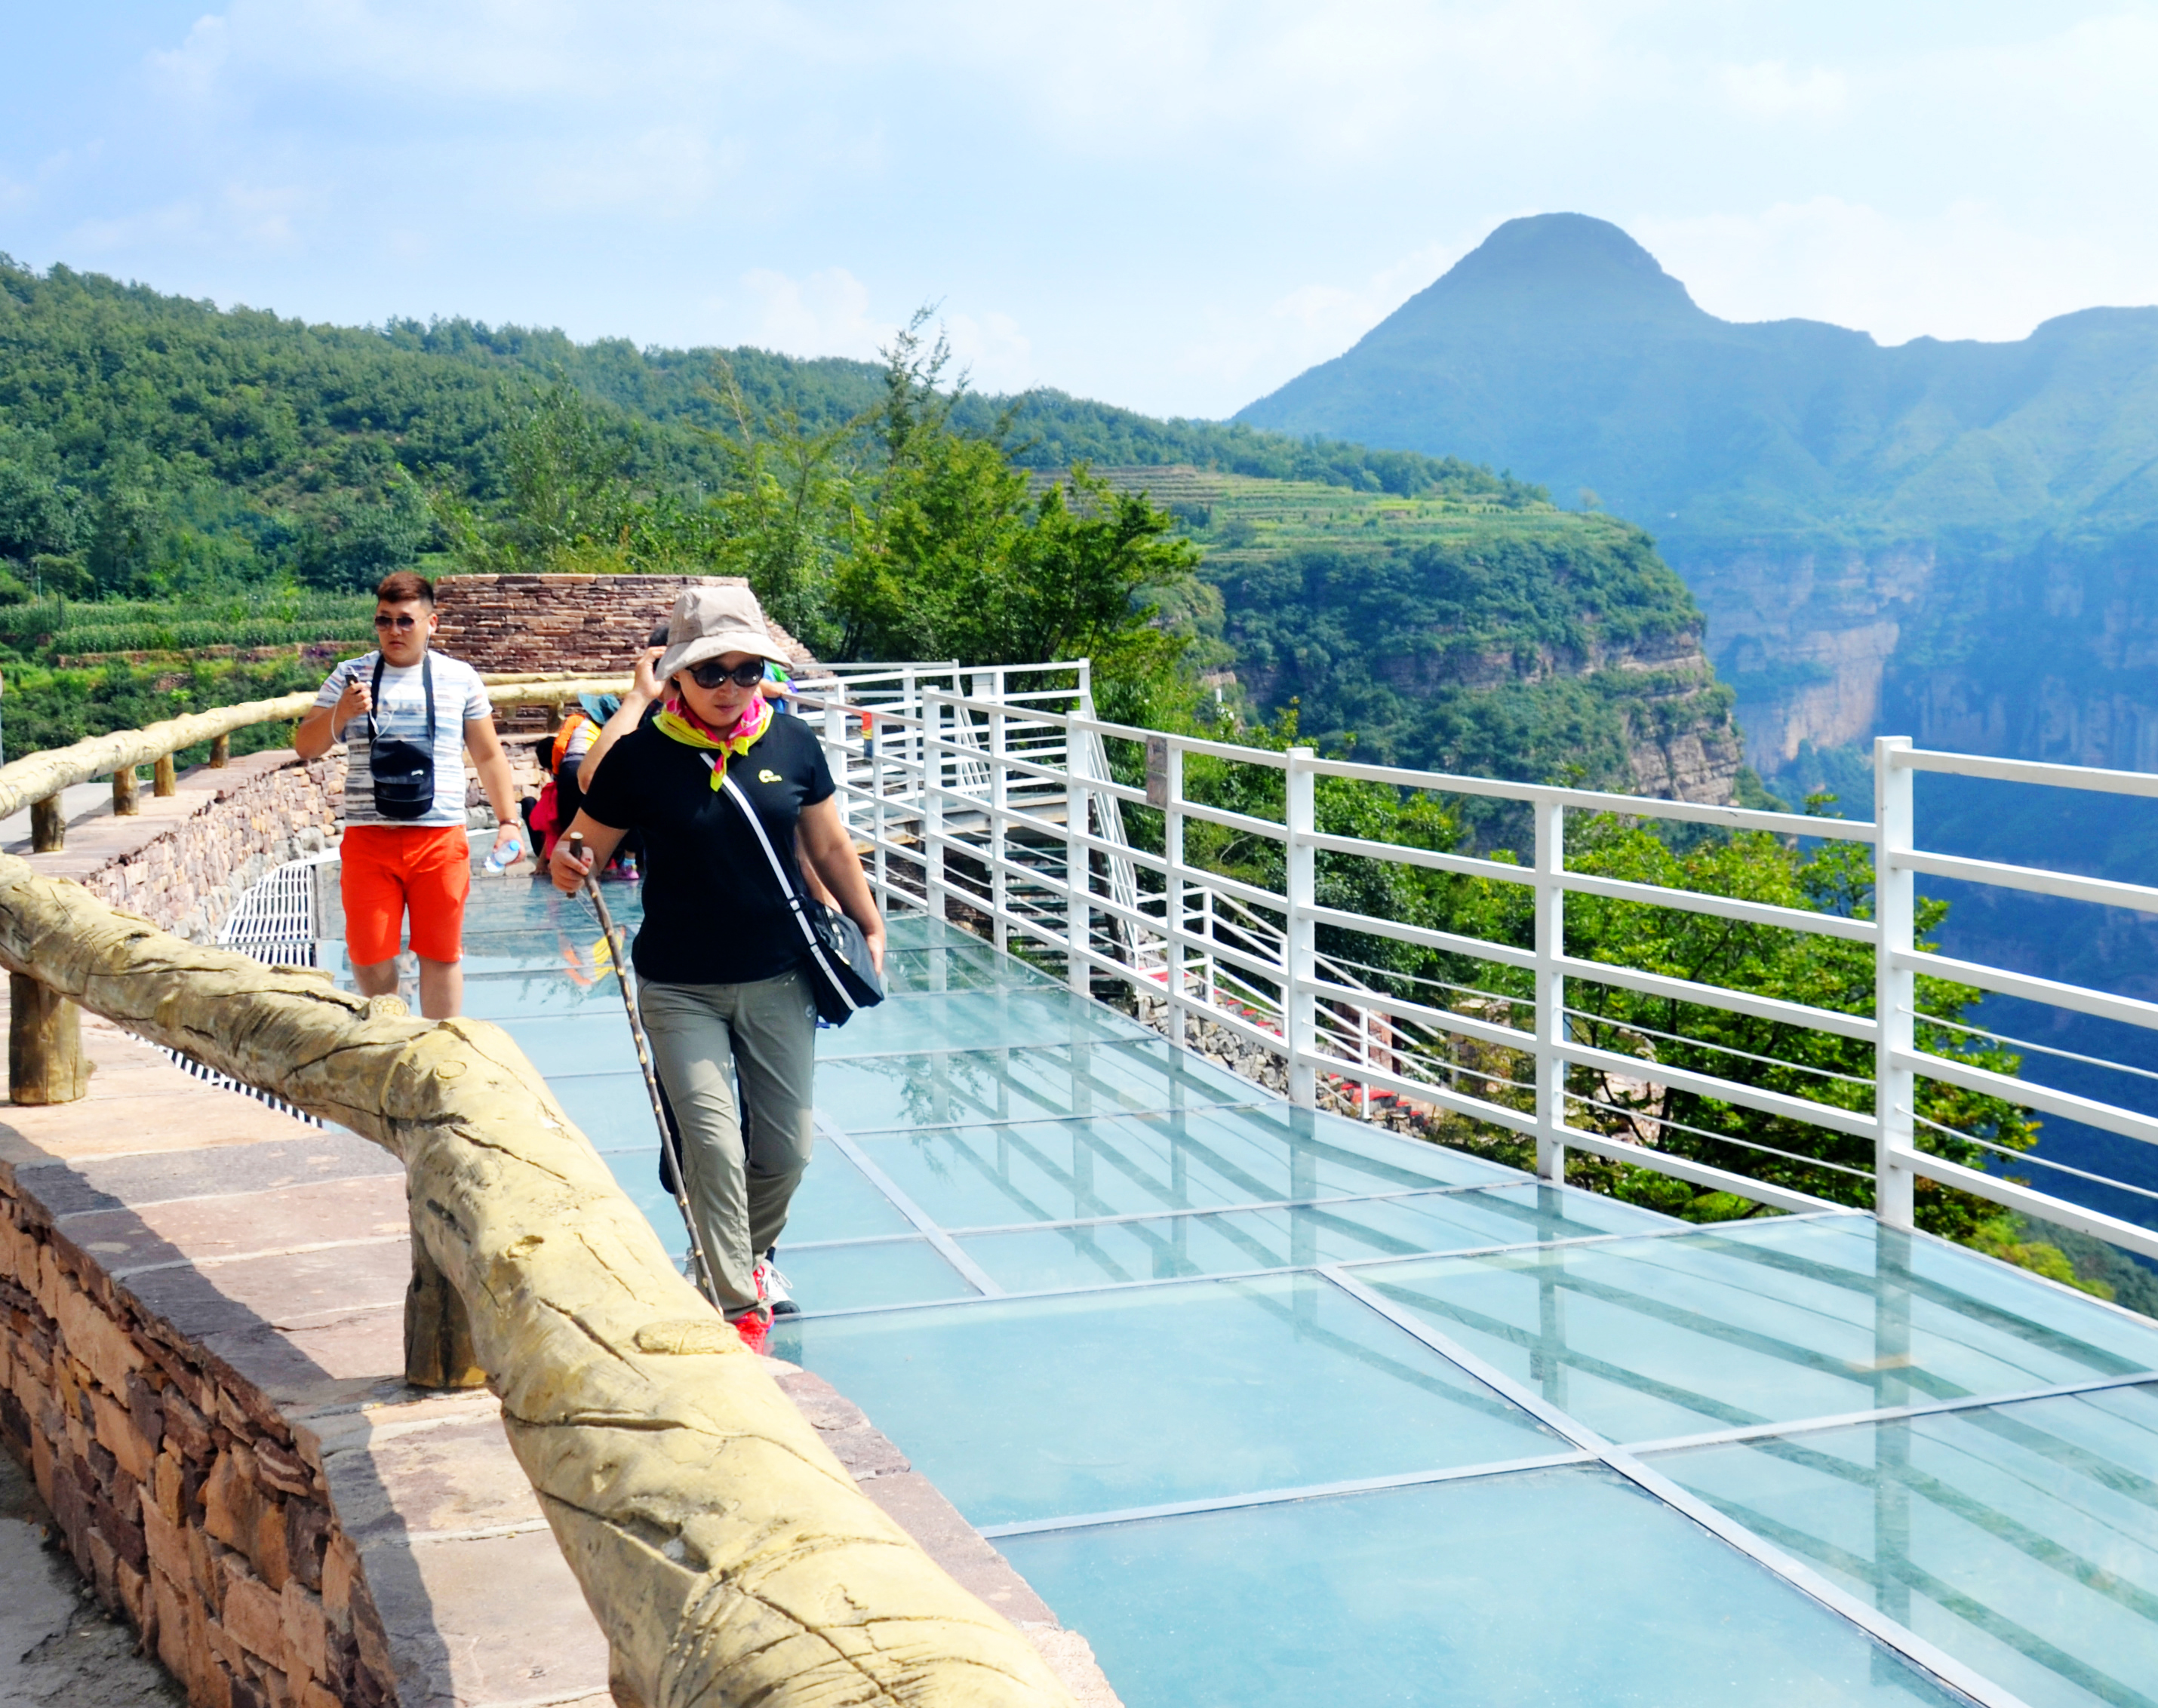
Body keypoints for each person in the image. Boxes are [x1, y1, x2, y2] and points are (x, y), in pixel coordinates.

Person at [551, 585, 884, 1349]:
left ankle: (735, 1256)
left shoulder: (793, 742)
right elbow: (583, 848)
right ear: (677, 677)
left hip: (778, 976)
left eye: (746, 671)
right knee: (709, 1146)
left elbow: (830, 847)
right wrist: (573, 863)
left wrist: (868, 922)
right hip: (679, 986)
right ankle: (737, 1307)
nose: (731, 688)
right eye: (712, 673)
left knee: (786, 1150)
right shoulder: (640, 756)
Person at [295, 570, 523, 1018]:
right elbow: (306, 745)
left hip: (439, 838)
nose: (394, 631)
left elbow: (488, 755)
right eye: (384, 621)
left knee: (440, 953)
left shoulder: (460, 678)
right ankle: (388, 1039)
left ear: (431, 623)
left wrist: (508, 821)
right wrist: (340, 712)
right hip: (369, 838)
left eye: (405, 621)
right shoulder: (350, 675)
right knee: (368, 955)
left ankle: (441, 1049)